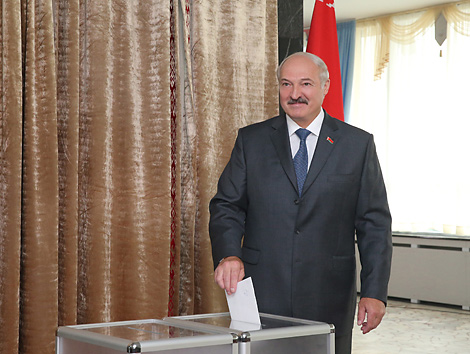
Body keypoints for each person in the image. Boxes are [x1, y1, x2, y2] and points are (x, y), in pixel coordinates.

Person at [209, 52, 392, 354]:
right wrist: (228, 254)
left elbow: (374, 225)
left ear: (325, 86)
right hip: (262, 293)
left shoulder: (356, 145)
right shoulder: (251, 141)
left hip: (328, 295)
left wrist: (375, 292)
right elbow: (226, 206)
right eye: (286, 84)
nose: (295, 94)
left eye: (305, 84)